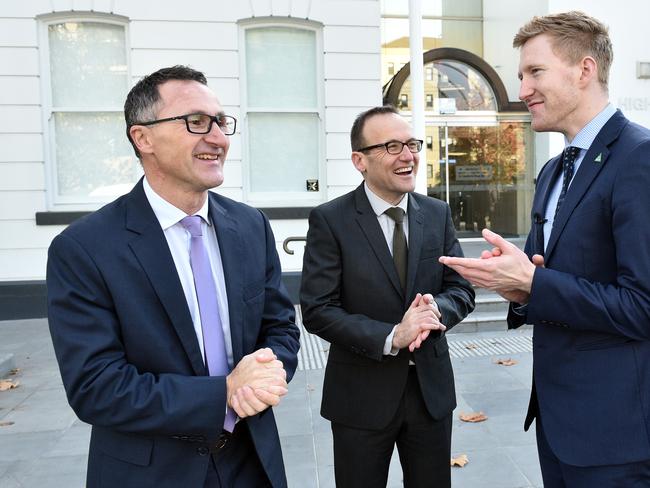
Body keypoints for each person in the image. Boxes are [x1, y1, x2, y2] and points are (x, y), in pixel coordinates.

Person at [46, 65, 300, 488]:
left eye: (220, 122)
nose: (218, 138)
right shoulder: (84, 248)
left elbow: (280, 327)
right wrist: (224, 391)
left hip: (253, 462)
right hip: (153, 472)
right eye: (196, 122)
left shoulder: (250, 225)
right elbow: (96, 387)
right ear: (142, 138)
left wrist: (269, 373)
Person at [439, 11, 650, 486]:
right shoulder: (554, 172)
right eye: (520, 75)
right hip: (555, 425)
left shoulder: (640, 158)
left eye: (535, 72)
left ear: (585, 70)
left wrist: (535, 283)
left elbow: (643, 306)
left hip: (618, 438)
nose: (522, 90)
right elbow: (545, 280)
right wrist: (518, 290)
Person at [300, 105, 475, 487]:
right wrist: (392, 336)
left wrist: (434, 310)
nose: (408, 155)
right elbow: (317, 309)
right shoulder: (331, 220)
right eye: (392, 146)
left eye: (412, 144)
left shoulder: (437, 212)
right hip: (360, 398)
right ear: (359, 160)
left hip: (430, 394)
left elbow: (460, 289)